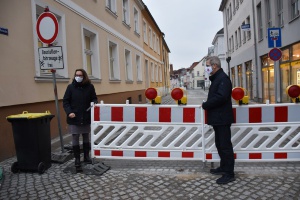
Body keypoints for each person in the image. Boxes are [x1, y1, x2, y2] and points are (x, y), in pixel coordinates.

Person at [201, 56, 235, 184]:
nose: (207, 68)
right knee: (220, 144)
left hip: (222, 118)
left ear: (214, 66)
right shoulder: (217, 78)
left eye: (208, 65)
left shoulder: (223, 79)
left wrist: (206, 105)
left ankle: (229, 173)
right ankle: (223, 167)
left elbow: (221, 97)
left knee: (225, 146)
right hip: (218, 118)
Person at [63, 69, 98, 168]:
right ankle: (77, 159)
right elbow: (65, 101)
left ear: (84, 76)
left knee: (86, 136)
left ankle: (86, 157)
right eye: (76, 75)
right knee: (75, 137)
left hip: (86, 115)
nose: (78, 77)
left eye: (80, 75)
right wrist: (69, 112)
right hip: (74, 117)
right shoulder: (70, 87)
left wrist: (94, 103)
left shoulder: (90, 87)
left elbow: (94, 98)